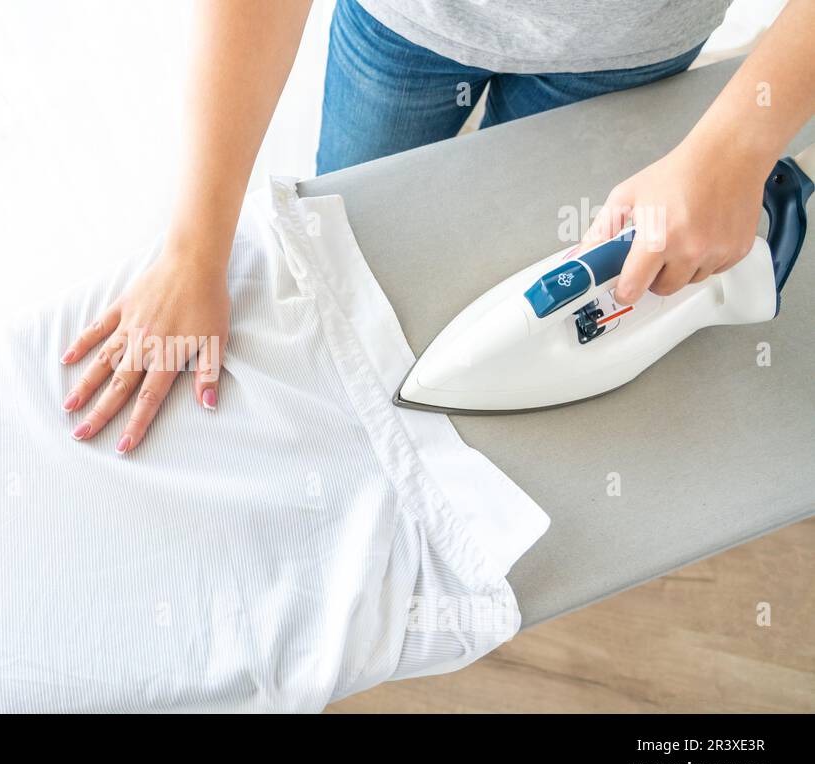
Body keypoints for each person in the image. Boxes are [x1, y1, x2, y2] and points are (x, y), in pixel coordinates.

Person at [59, 0, 815, 453]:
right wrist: (195, 250)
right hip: (405, 26)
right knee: (354, 220)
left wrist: (734, 152)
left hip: (630, 46)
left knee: (514, 240)